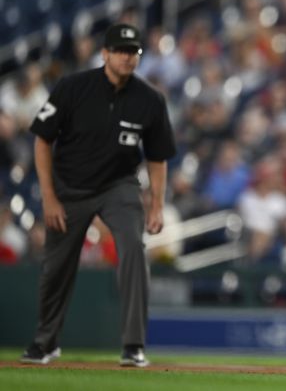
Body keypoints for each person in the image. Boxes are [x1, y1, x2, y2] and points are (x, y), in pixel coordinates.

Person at [21, 23, 176, 367]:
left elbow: (157, 157)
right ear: (104, 54)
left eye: (133, 52)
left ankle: (134, 345)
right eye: (120, 51)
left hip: (118, 187)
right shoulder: (72, 87)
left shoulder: (150, 100)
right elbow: (42, 140)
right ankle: (45, 342)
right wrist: (48, 196)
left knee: (134, 249)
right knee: (55, 267)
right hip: (70, 188)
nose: (127, 57)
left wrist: (157, 206)